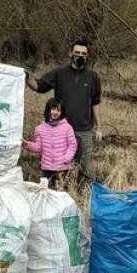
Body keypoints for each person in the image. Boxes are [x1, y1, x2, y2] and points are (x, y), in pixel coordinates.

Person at [28, 39, 102, 191]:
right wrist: (26, 78)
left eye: (83, 53)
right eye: (77, 53)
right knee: (60, 168)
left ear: (88, 56)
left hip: (84, 130)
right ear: (70, 53)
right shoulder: (59, 73)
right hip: (60, 129)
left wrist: (99, 127)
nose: (80, 56)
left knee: (84, 168)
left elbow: (96, 102)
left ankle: (81, 198)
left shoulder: (93, 77)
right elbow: (39, 86)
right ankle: (60, 194)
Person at [25, 98, 79, 189]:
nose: (55, 112)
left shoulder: (67, 127)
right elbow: (38, 148)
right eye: (53, 109)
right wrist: (27, 145)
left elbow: (72, 145)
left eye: (59, 110)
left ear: (62, 112)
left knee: (61, 192)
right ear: (48, 110)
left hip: (63, 168)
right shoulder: (39, 128)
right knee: (48, 191)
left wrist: (66, 158)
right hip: (47, 168)